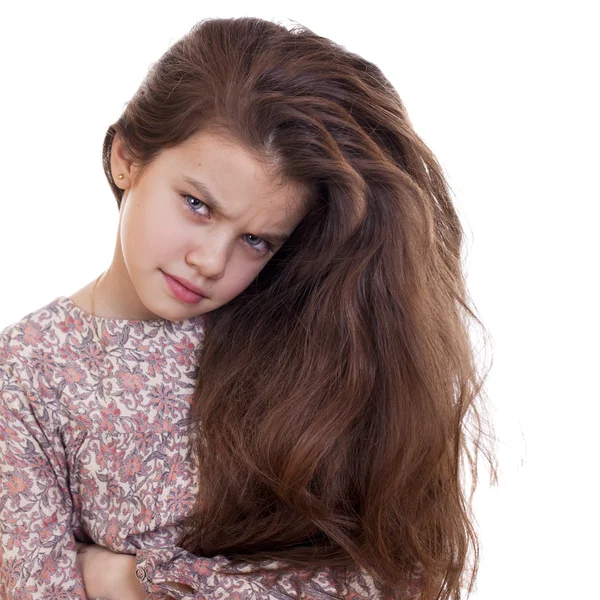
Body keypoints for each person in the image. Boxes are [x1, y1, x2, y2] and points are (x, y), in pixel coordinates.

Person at [0, 16, 496, 600]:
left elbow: (395, 581)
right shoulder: (26, 375)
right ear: (126, 158)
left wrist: (129, 581)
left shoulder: (308, 342)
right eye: (197, 204)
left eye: (256, 240)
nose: (211, 261)